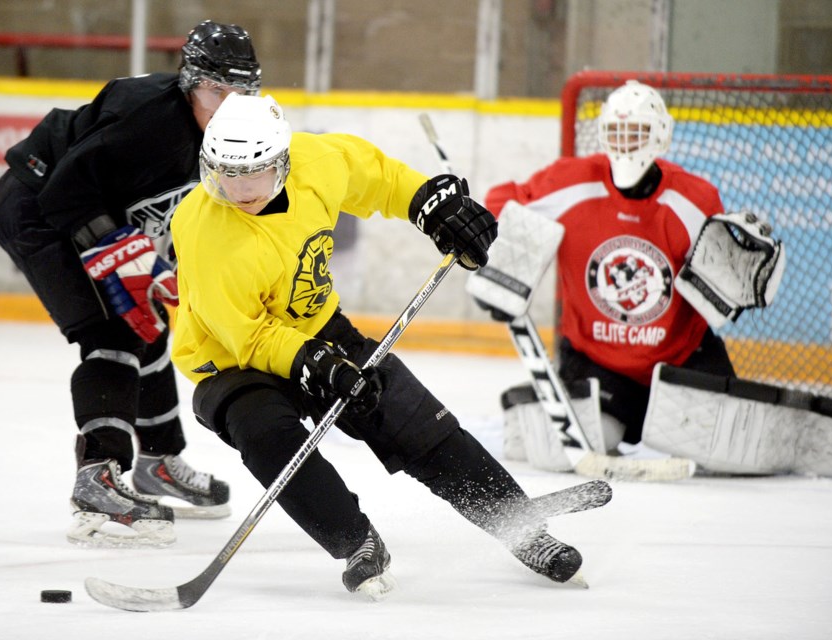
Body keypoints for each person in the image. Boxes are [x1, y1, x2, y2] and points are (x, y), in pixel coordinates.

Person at [169, 92, 589, 599]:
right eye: (224, 172)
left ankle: (524, 529)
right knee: (265, 433)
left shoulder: (317, 161)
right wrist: (312, 363)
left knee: (409, 417)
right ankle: (357, 542)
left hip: (319, 328)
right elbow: (249, 334)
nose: (235, 189)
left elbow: (382, 179)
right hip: (233, 361)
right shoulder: (202, 226)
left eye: (251, 173)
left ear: (281, 161)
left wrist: (430, 205)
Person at [0, 20, 263, 548]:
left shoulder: (228, 132)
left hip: (96, 212)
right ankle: (98, 480)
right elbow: (64, 190)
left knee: (148, 319)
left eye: (240, 92)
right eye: (215, 91)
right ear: (190, 83)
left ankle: (157, 462)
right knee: (112, 336)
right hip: (39, 207)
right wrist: (119, 250)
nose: (227, 105)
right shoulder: (150, 121)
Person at [477, 80, 738, 461]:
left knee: (723, 450)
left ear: (661, 135)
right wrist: (504, 261)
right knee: (590, 441)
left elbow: (725, 283)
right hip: (598, 364)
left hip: (681, 361)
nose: (627, 142)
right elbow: (502, 201)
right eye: (617, 132)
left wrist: (743, 282)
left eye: (637, 132)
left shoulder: (695, 199)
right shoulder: (571, 182)